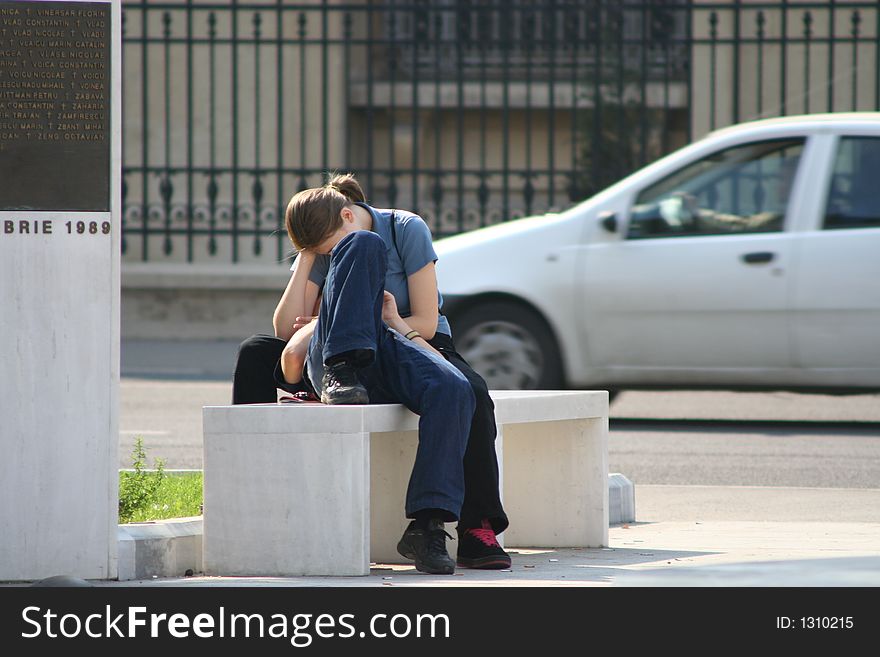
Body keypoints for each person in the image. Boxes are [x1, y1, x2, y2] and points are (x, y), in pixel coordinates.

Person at [232, 173, 511, 572]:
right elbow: (284, 329)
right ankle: (244, 486)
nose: (328, 254)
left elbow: (427, 323)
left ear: (347, 214)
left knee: (464, 389)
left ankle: (442, 525)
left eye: (324, 247)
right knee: (255, 351)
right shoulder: (323, 242)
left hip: (405, 334)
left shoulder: (402, 229)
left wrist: (390, 320)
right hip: (337, 347)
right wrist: (309, 255)